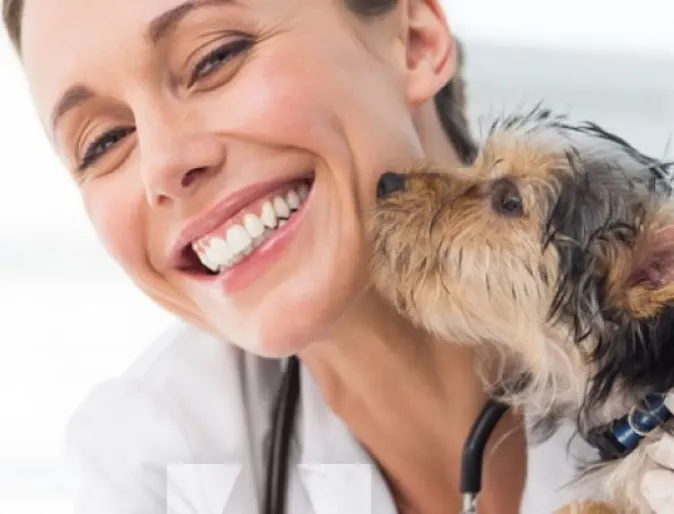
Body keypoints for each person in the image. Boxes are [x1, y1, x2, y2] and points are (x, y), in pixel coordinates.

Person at [3, 0, 673, 512]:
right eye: (102, 142)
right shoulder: (152, 458)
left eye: (215, 57)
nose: (166, 163)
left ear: (413, 41)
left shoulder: (631, 326)